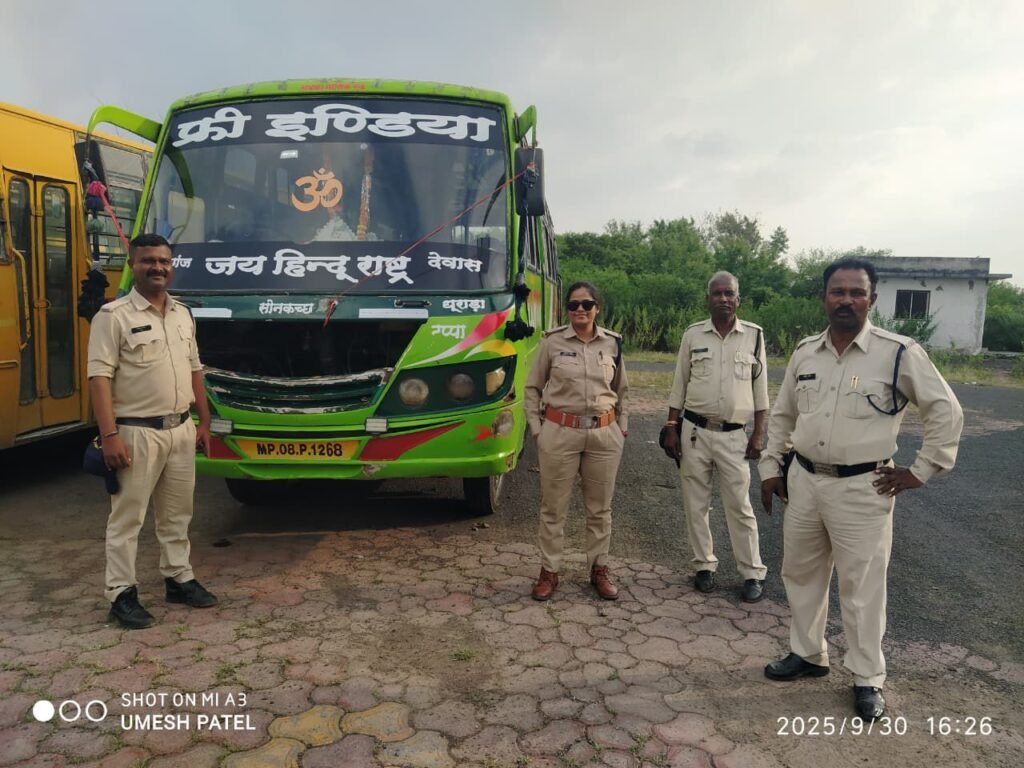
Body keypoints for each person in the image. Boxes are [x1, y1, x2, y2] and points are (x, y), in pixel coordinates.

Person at [759, 258, 963, 721]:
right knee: (801, 574)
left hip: (864, 487)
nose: (846, 300)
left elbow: (945, 411)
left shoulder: (898, 352)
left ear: (872, 300)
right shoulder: (805, 352)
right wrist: (771, 467)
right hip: (805, 482)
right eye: (838, 291)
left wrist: (921, 470)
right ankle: (808, 653)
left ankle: (868, 677)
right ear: (824, 298)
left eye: (856, 292)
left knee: (863, 587)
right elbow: (784, 414)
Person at [87, 233, 217, 630]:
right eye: (148, 261)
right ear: (132, 265)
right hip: (135, 433)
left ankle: (178, 578)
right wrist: (110, 435)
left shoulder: (183, 314)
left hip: (180, 429)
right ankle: (121, 594)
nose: (157, 267)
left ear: (171, 266)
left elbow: (195, 369)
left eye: (163, 261)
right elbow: (99, 378)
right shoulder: (113, 316)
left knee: (177, 514)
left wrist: (204, 422)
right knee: (127, 519)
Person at [661, 272, 769, 602]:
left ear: (738, 299)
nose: (723, 298)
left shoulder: (754, 336)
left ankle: (752, 573)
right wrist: (671, 426)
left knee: (740, 506)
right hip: (694, 433)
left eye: (729, 293)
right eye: (717, 293)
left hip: (734, 436)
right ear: (707, 299)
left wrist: (759, 434)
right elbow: (679, 383)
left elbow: (761, 391)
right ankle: (704, 566)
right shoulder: (693, 335)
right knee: (696, 504)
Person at [524, 282, 628, 602]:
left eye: (586, 304)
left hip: (603, 436)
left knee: (600, 509)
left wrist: (621, 428)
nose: (580, 310)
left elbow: (622, 390)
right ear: (567, 309)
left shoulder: (612, 343)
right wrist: (538, 431)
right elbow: (532, 388)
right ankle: (549, 571)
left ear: (597, 308)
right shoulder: (552, 342)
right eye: (573, 305)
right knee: (553, 508)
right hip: (559, 433)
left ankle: (599, 569)